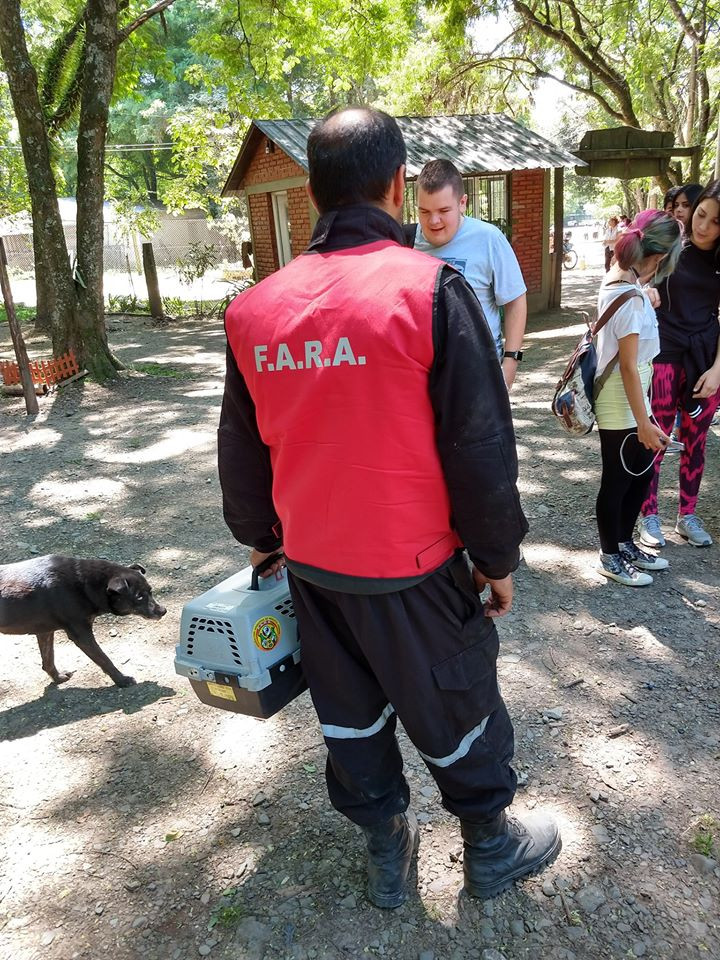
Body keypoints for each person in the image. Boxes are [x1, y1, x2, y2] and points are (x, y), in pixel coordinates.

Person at [218, 107, 560, 909]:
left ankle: (385, 850)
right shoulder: (432, 290)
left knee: (349, 717)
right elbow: (480, 450)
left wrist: (264, 541)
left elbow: (240, 451)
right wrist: (496, 558)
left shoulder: (252, 311)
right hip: (417, 572)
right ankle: (489, 847)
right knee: (458, 704)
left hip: (314, 569)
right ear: (399, 184)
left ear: (310, 190)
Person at [594, 210, 682, 586]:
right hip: (621, 399)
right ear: (660, 257)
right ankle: (609, 555)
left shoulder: (627, 282)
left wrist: (646, 295)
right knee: (618, 479)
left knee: (640, 475)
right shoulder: (628, 296)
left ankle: (623, 542)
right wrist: (643, 420)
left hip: (633, 396)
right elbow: (628, 366)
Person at [639, 180, 720, 549]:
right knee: (656, 437)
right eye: (700, 214)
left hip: (705, 358)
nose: (702, 226)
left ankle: (687, 515)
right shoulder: (670, 246)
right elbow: (627, 275)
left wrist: (717, 370)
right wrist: (645, 287)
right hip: (665, 355)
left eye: (715, 222)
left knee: (695, 441)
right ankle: (649, 515)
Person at [411, 159, 527, 390]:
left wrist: (510, 364)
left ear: (462, 203)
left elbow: (515, 300)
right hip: (425, 378)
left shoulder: (488, 238)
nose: (433, 221)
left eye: (444, 211)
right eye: (424, 211)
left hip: (480, 373)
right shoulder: (407, 241)